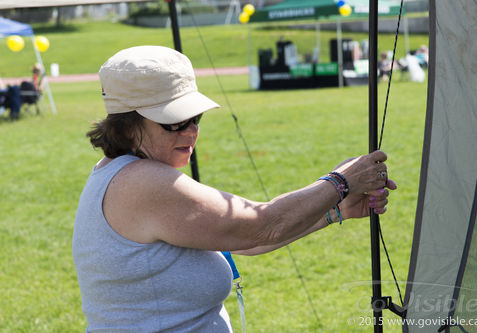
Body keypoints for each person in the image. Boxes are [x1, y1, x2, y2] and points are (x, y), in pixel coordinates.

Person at [73, 45, 397, 332]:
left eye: (195, 117)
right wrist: (341, 182)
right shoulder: (143, 183)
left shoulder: (126, 175)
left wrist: (336, 210)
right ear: (127, 123)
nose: (191, 132)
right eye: (174, 121)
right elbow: (261, 227)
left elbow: (244, 240)